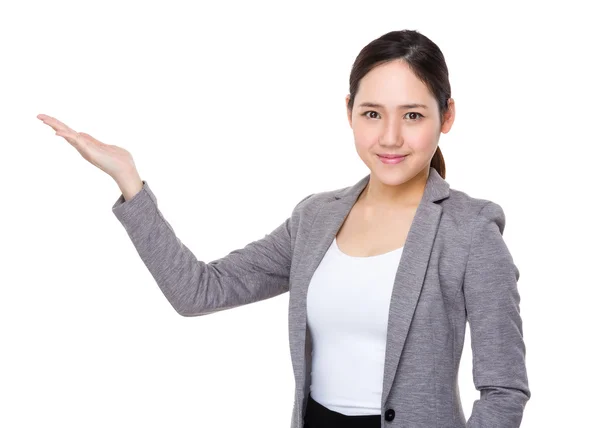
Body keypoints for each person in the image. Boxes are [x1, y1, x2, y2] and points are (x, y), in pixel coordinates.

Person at [37, 29, 530, 428]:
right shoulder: (315, 218)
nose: (391, 137)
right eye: (373, 114)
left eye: (414, 115)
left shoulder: (470, 232)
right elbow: (199, 291)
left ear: (447, 117)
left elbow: (504, 389)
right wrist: (130, 180)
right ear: (349, 112)